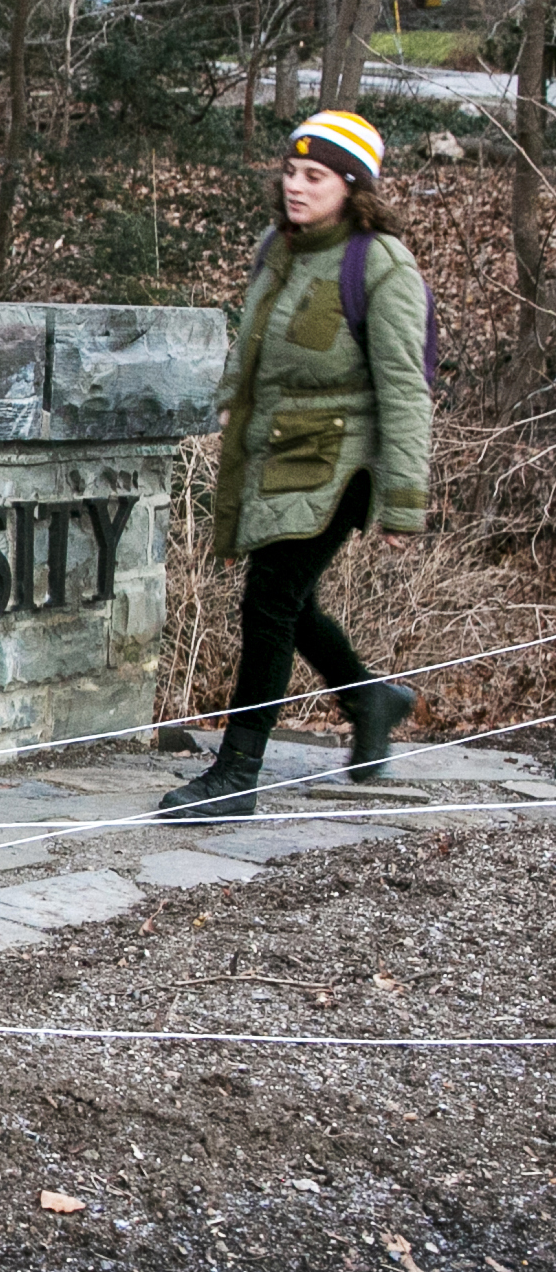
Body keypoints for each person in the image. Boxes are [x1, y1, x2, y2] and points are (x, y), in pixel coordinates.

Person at [159, 109, 433, 819]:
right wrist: (229, 401)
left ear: (352, 186)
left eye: (314, 176)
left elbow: (406, 388)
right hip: (275, 451)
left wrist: (403, 501)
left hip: (340, 461)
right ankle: (369, 698)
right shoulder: (275, 248)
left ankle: (236, 773)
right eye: (290, 171)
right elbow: (250, 343)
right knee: (286, 599)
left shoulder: (378, 264)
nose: (295, 186)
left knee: (268, 601)